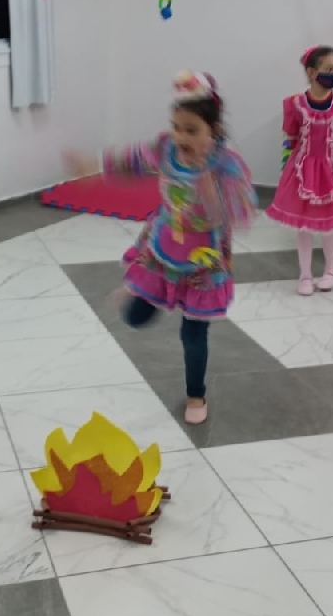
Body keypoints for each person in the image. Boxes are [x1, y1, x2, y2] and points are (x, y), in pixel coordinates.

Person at [64, 72, 256, 425]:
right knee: (135, 317)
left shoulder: (225, 165)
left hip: (203, 261)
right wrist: (92, 164)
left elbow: (240, 213)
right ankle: (144, 292)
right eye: (177, 127)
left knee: (193, 332)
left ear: (213, 130)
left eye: (192, 130)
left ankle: (196, 394)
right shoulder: (167, 148)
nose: (181, 137)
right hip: (164, 247)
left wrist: (209, 187)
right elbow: (132, 159)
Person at [267, 46, 333, 293]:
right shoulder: (296, 104)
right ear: (311, 72)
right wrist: (295, 165)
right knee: (304, 226)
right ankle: (305, 275)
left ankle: (331, 270)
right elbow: (293, 139)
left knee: (330, 225)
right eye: (329, 68)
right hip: (303, 170)